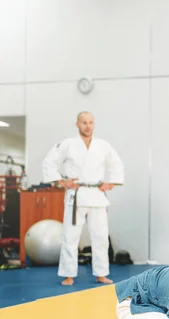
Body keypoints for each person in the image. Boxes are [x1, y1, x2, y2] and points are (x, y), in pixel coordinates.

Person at [42, 111, 124, 286]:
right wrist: (61, 181)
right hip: (76, 195)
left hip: (96, 194)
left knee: (100, 237)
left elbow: (116, 164)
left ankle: (101, 273)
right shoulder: (68, 144)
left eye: (91, 122)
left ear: (94, 124)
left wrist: (111, 183)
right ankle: (68, 274)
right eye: (84, 122)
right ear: (77, 124)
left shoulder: (103, 145)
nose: (88, 126)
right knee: (70, 236)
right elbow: (49, 162)